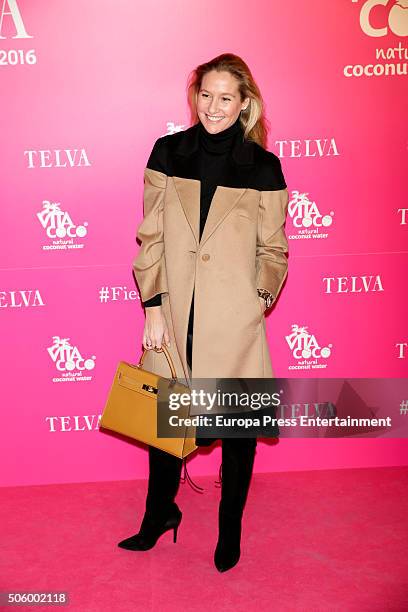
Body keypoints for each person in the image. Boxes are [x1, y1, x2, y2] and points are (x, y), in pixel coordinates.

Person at [118, 53, 289, 573]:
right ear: (195, 98)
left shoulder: (264, 167)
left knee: (236, 438)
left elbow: (274, 252)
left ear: (245, 104)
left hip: (233, 327)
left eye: (226, 98)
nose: (213, 107)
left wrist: (257, 301)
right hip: (173, 320)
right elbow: (151, 237)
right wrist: (152, 308)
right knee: (167, 432)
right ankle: (158, 516)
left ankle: (229, 529)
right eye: (206, 95)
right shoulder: (168, 153)